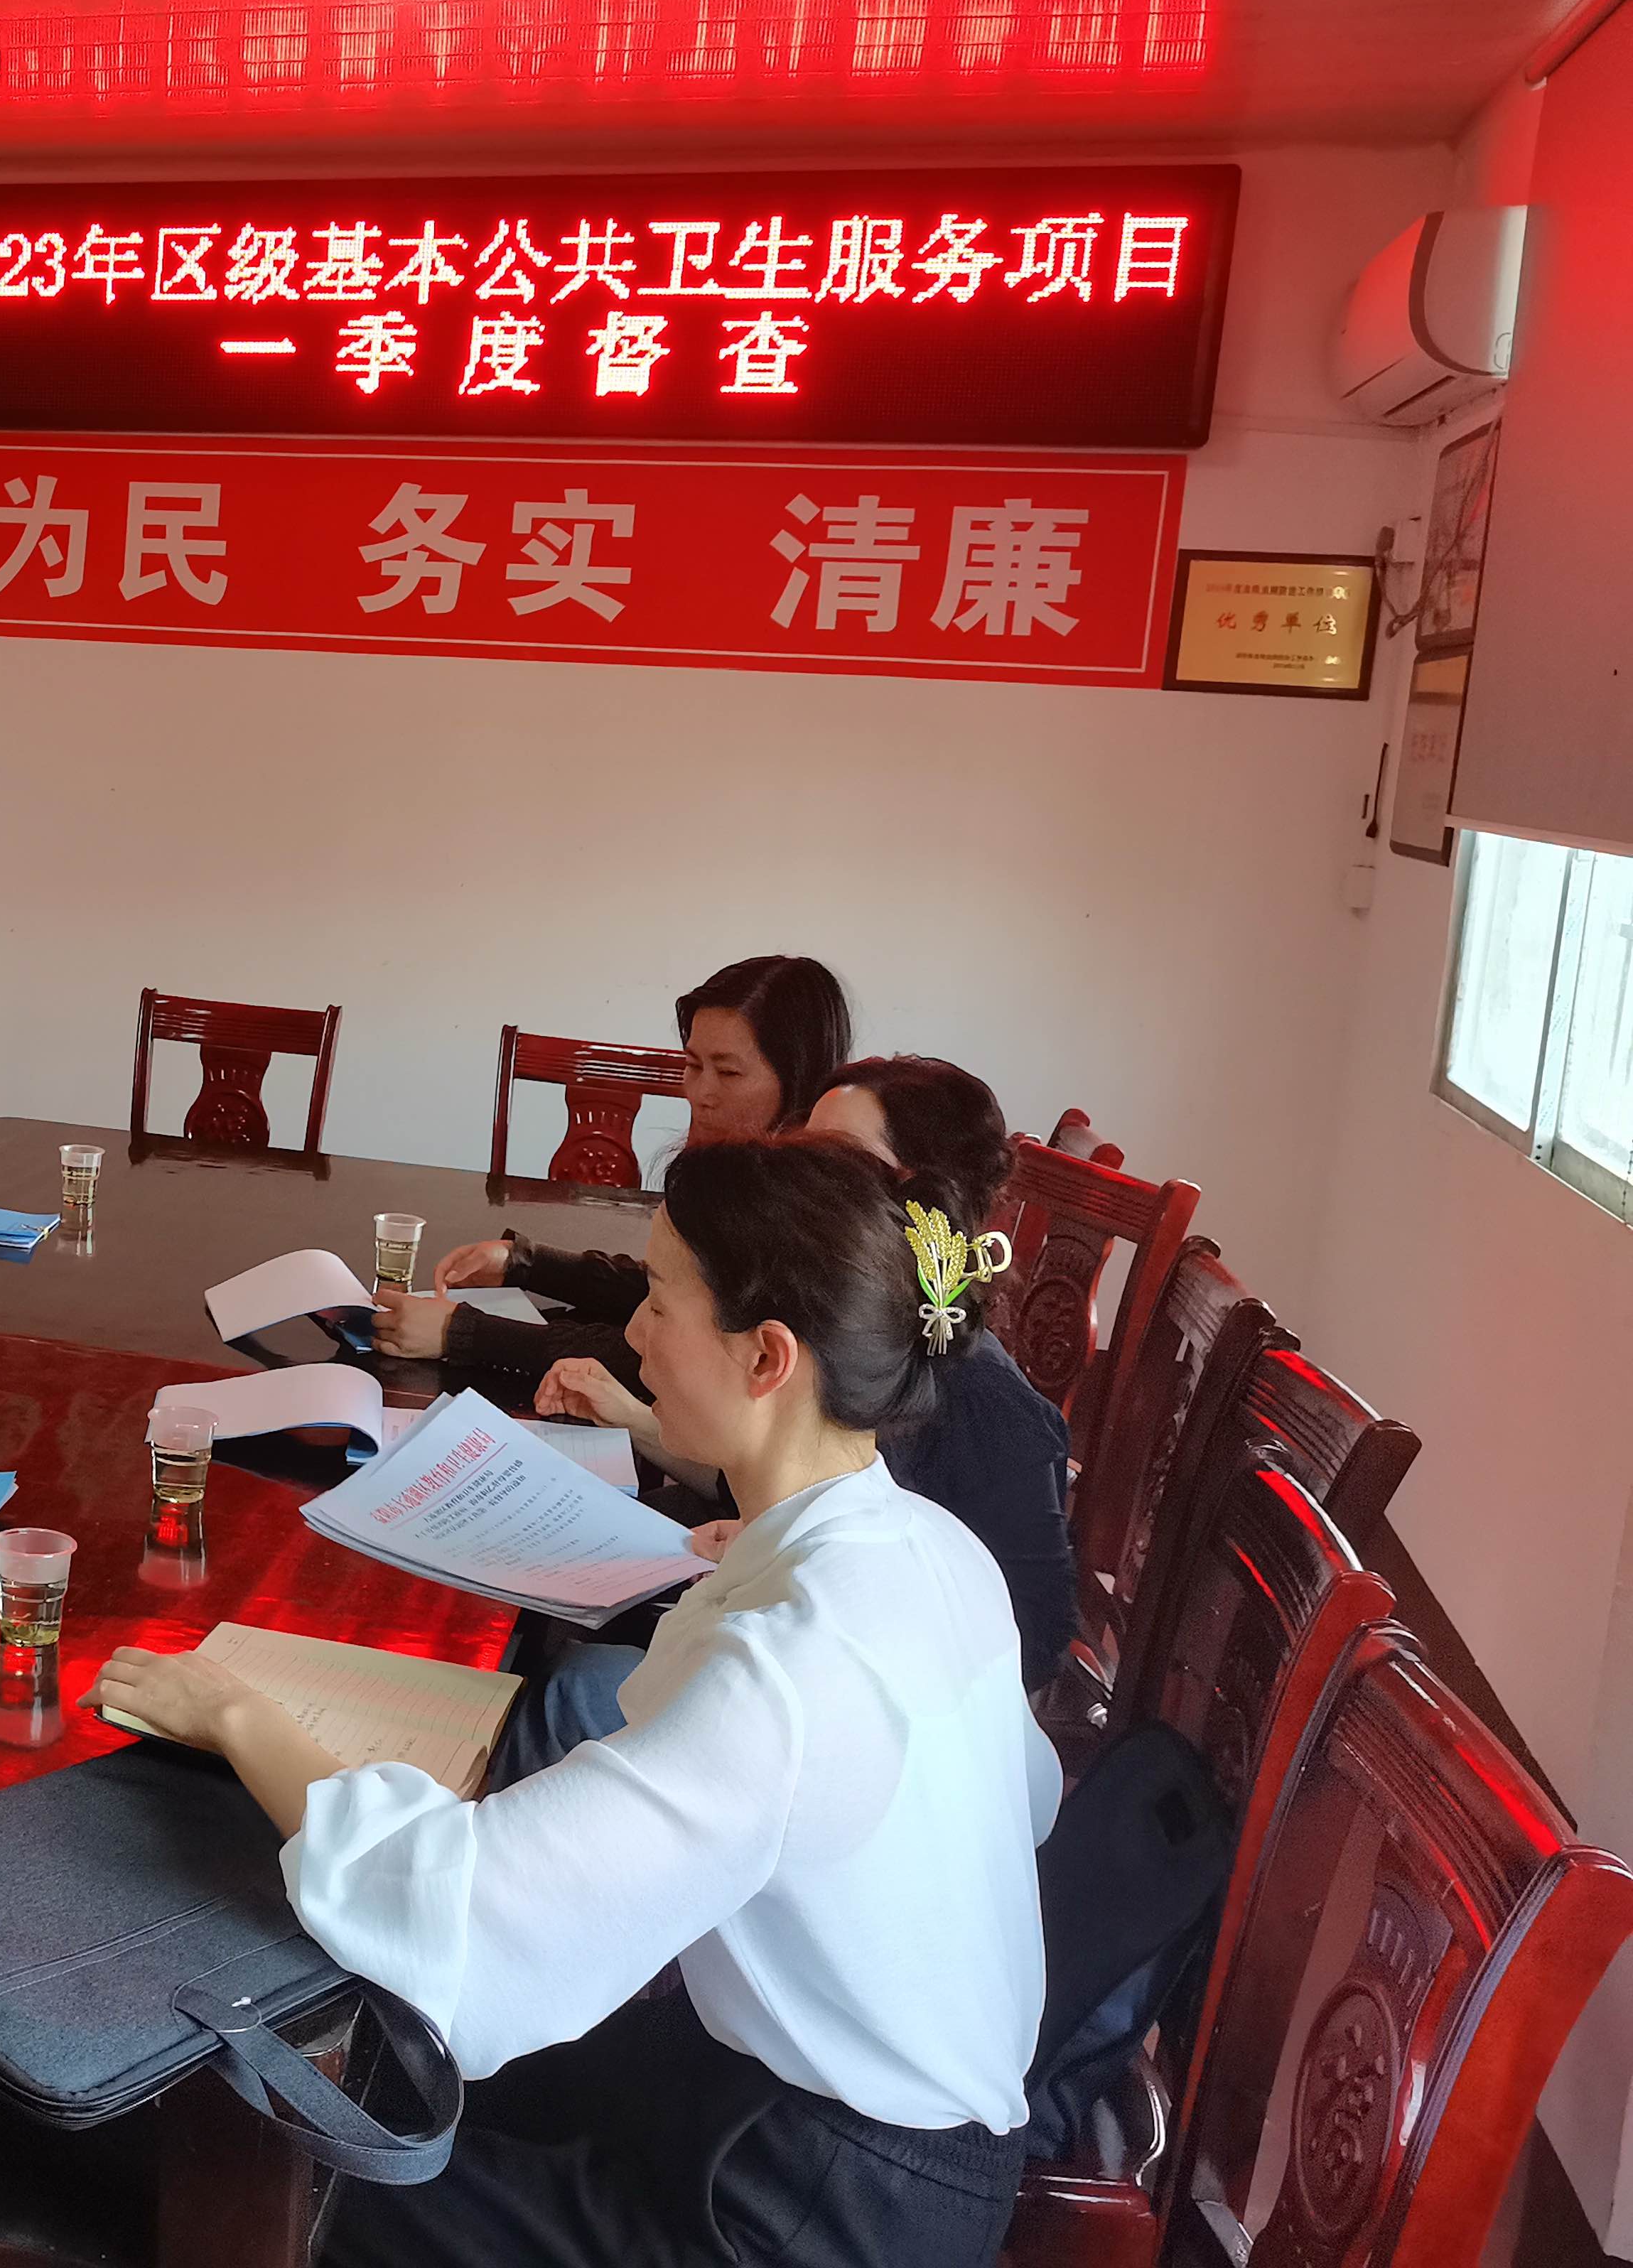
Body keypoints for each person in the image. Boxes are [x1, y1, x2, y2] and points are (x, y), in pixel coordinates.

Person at [99, 1136, 1050, 2268]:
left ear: (768, 1358)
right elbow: (1025, 1795)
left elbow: (458, 1913)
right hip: (845, 2123)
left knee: (274, 2159)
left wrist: (237, 1715)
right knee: (384, 2073)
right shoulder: (930, 1546)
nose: (634, 1334)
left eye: (661, 1301)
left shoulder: (789, 1664)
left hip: (813, 2210)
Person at [516, 1056, 1078, 1766]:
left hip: (863, 1715)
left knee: (571, 1680)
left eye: (837, 1158)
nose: (801, 1170)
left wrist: (824, 1592)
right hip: (789, 1614)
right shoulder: (849, 1395)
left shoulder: (988, 1415)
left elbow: (1037, 1641)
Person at [374, 954, 853, 1375]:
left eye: (728, 1072)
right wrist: (527, 1263)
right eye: (692, 1065)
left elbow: (664, 1356)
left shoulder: (806, 1222)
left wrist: (465, 1334)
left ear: (799, 1081)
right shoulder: (741, 1177)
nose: (700, 1093)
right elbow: (666, 1290)